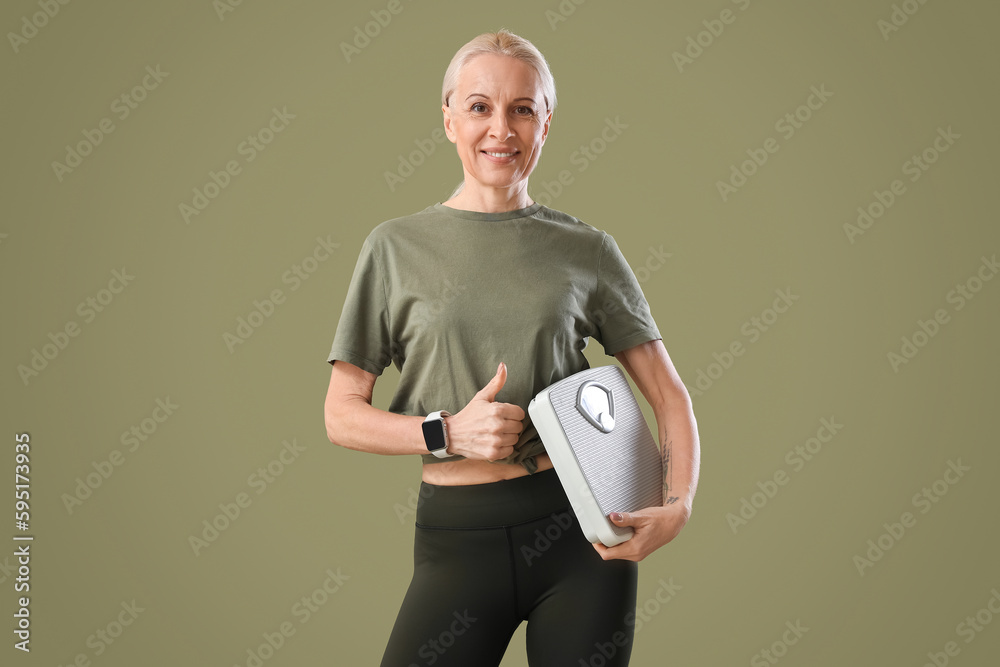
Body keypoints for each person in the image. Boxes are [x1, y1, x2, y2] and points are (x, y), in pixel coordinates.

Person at [323, 28, 700, 667]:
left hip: (584, 534)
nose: (502, 128)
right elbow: (340, 415)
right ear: (448, 119)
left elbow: (668, 394)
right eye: (479, 107)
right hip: (456, 540)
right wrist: (448, 433)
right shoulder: (394, 248)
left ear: (546, 123)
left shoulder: (587, 250)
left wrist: (679, 504)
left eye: (522, 108)